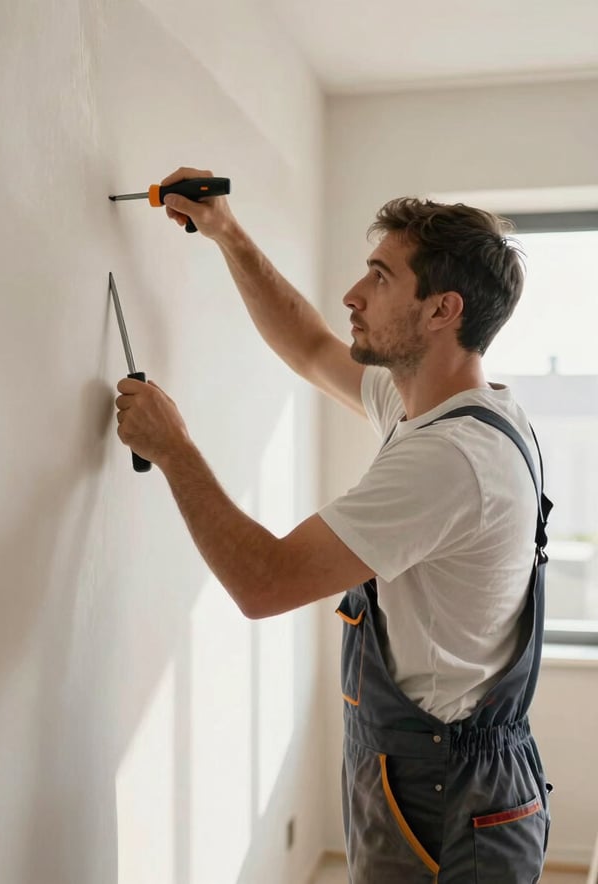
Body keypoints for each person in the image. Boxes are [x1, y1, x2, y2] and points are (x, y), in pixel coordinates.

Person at [114, 167, 552, 883]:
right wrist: (225, 230)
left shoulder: (450, 460)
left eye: (380, 277)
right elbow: (313, 348)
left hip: (446, 792)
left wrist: (174, 449)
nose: (354, 293)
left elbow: (263, 583)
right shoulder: (442, 404)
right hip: (442, 770)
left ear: (443, 310)